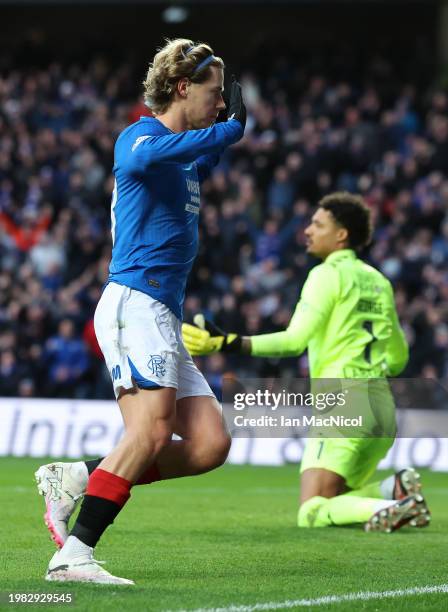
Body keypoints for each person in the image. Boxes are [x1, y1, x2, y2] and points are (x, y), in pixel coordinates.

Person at [35, 38, 246, 585]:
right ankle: (74, 553)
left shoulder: (184, 155)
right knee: (149, 434)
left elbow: (207, 149)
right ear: (182, 88)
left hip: (160, 315)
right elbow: (145, 156)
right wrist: (226, 129)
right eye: (213, 93)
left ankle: (77, 475)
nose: (221, 105)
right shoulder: (141, 136)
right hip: (136, 303)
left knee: (207, 445)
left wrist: (224, 134)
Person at [183, 192, 431, 532]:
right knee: (340, 495)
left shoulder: (326, 275)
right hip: (382, 409)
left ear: (341, 235)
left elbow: (294, 340)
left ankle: (390, 505)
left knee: (311, 511)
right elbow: (400, 359)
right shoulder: (379, 281)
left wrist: (229, 342)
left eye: (318, 224)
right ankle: (394, 489)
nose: (308, 231)